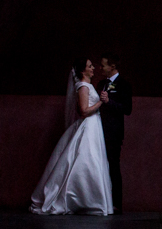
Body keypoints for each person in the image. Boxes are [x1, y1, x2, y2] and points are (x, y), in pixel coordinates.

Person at [29, 58, 114, 215]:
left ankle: (92, 200)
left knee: (93, 160)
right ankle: (80, 199)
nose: (93, 68)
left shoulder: (87, 86)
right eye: (90, 66)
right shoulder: (83, 86)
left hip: (94, 126)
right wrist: (100, 103)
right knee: (87, 160)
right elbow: (84, 111)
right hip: (89, 126)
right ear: (83, 71)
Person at [98, 54, 132, 214]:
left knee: (113, 166)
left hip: (113, 133)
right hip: (98, 131)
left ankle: (116, 204)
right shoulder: (101, 84)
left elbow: (127, 109)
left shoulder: (124, 84)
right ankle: (101, 201)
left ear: (112, 66)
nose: (100, 67)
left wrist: (109, 102)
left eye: (103, 65)